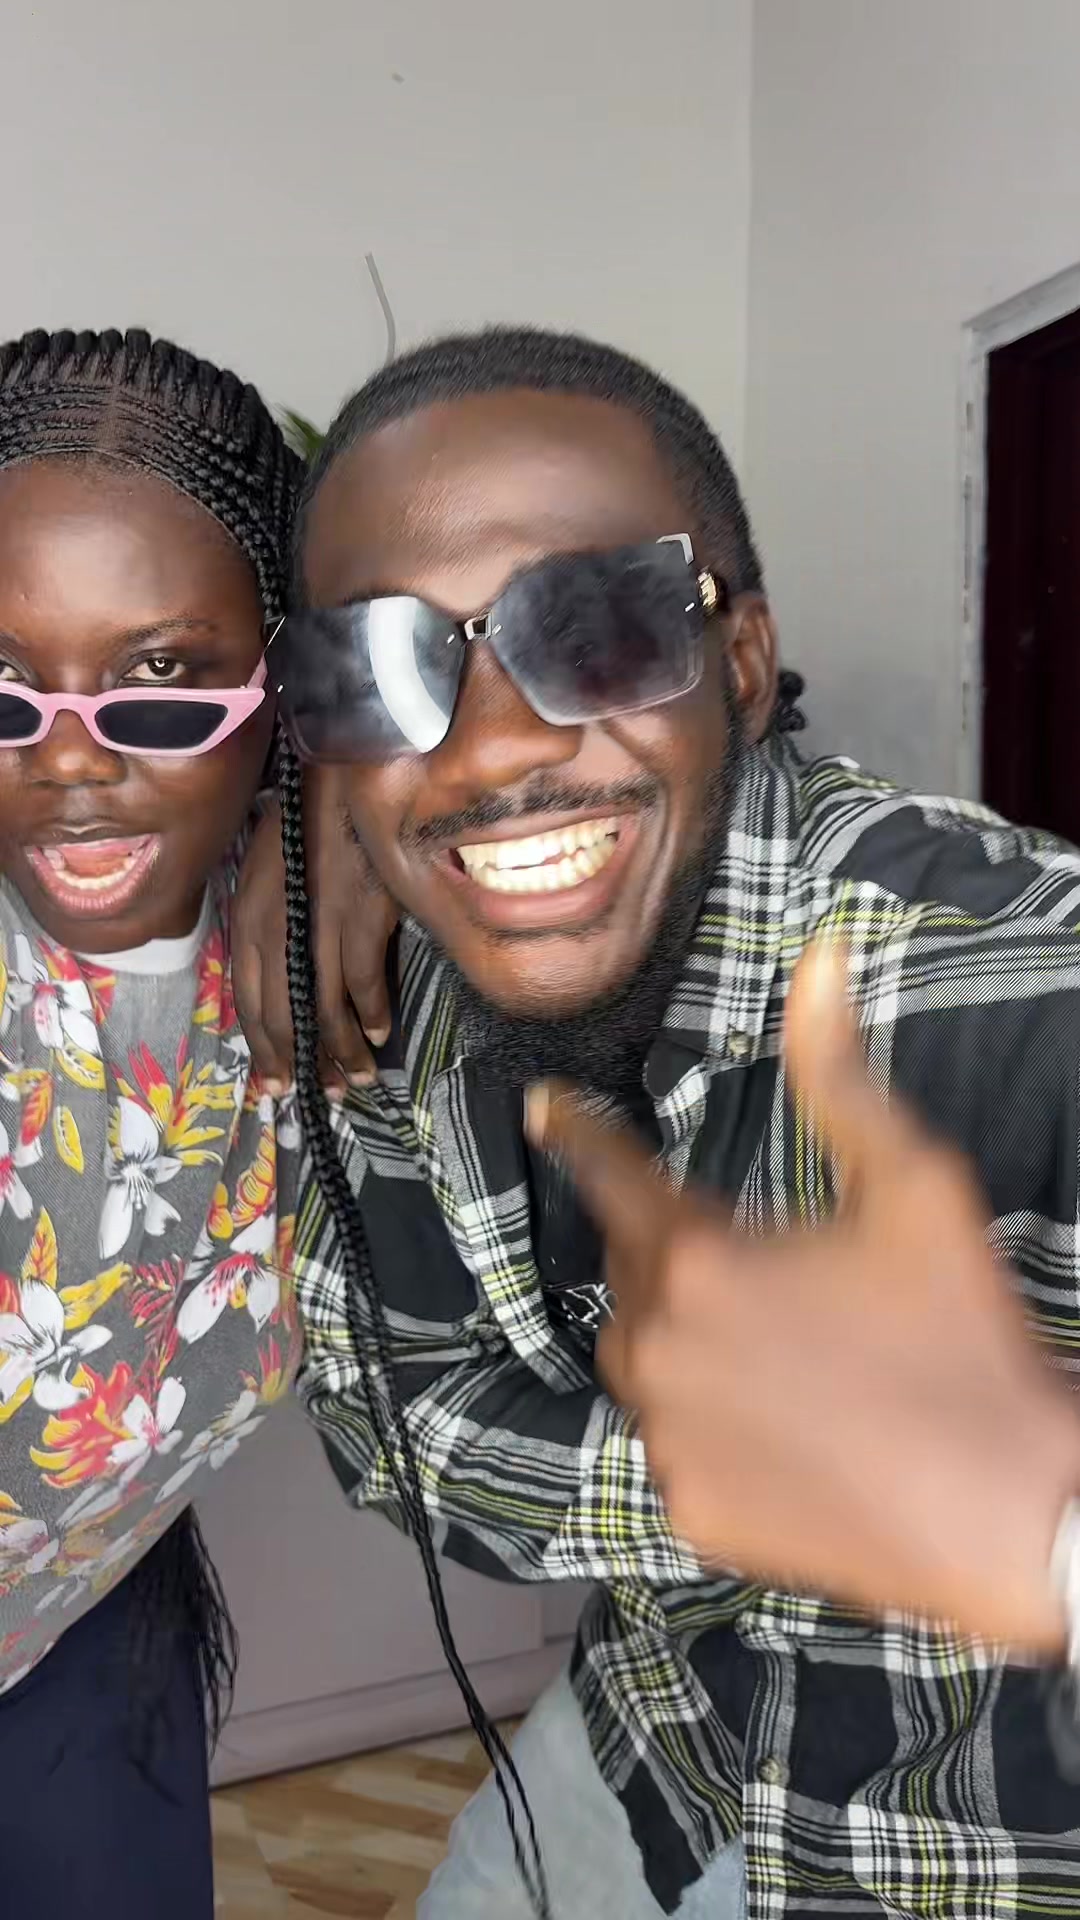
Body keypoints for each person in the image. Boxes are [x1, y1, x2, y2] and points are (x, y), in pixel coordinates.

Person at [241, 324, 1080, 1918]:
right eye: (383, 674)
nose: (491, 744)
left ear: (741, 665)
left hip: (980, 1850)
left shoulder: (1008, 989)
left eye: (596, 629)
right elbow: (395, 1413)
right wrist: (723, 1480)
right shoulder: (401, 993)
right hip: (657, 1745)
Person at [0, 327, 301, 1919]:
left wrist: (335, 820)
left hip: (87, 1617)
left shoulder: (351, 976)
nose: (68, 760)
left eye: (163, 687)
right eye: (1, 688)